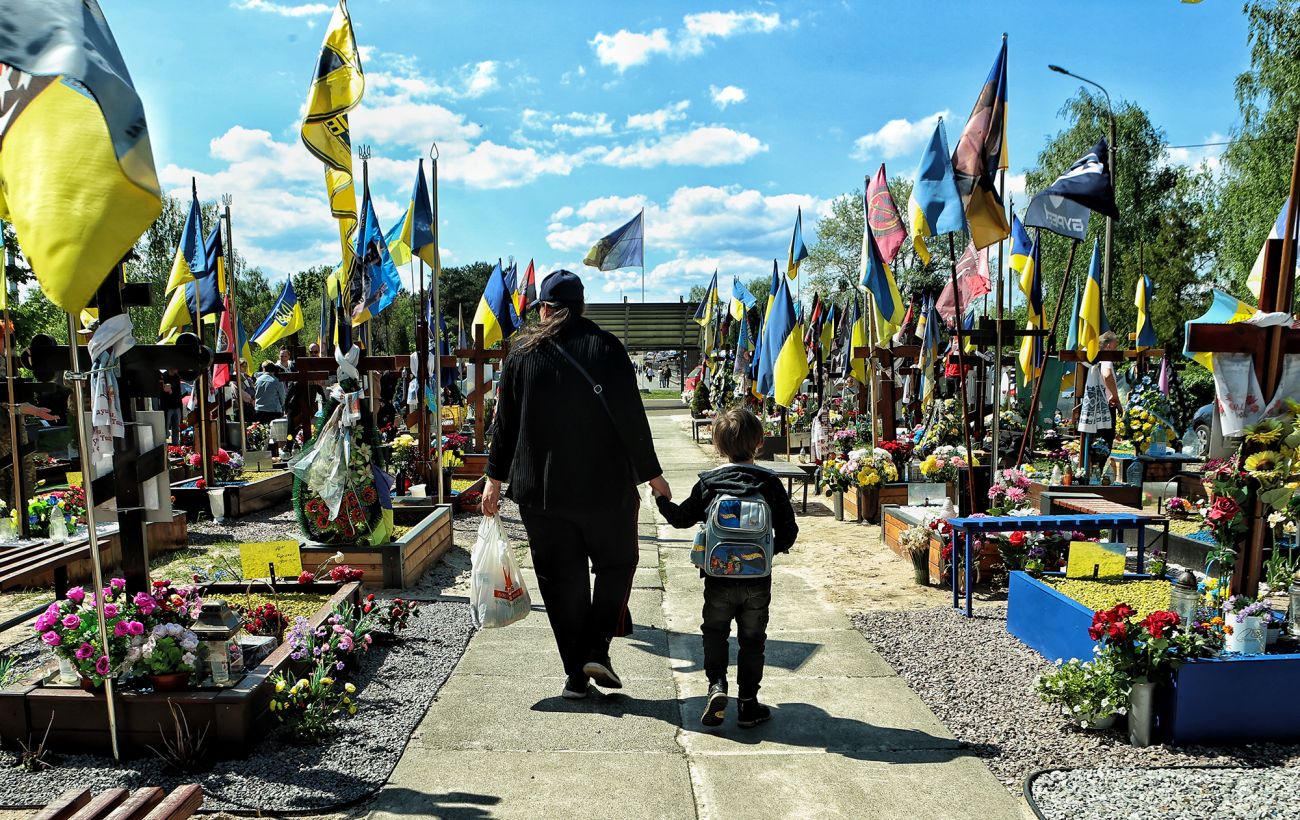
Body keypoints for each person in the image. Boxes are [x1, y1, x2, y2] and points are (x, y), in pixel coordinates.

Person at [483, 270, 671, 699]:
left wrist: (494, 481)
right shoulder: (606, 348)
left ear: (546, 309)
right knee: (617, 564)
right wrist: (652, 474)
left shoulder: (521, 355)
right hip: (605, 489)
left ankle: (575, 675)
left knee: (559, 579)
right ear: (582, 307)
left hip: (542, 494)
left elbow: (505, 426)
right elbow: (630, 416)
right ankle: (597, 649)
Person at [653, 407, 797, 728]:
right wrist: (769, 551)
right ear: (759, 443)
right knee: (752, 641)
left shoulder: (709, 483)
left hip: (718, 578)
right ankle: (747, 704)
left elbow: (680, 519)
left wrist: (661, 500)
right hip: (757, 580)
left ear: (718, 445)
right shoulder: (770, 484)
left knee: (715, 633)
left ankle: (716, 686)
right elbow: (789, 532)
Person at [159, 367, 183, 445]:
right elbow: (160, 391)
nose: (177, 369)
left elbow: (178, 393)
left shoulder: (177, 377)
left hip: (177, 406)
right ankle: (163, 447)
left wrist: (180, 407)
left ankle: (175, 446)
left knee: (176, 428)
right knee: (165, 428)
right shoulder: (163, 376)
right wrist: (166, 391)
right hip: (167, 407)